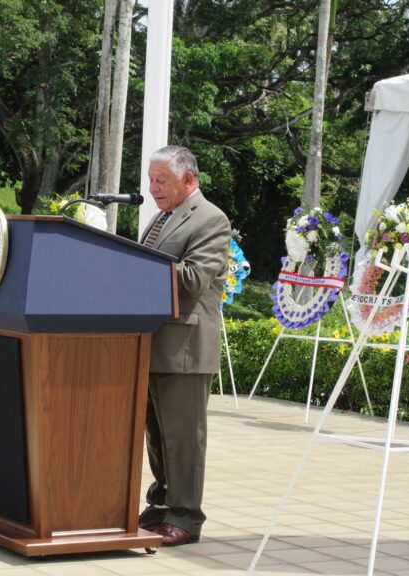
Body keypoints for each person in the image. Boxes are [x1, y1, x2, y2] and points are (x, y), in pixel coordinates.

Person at [138, 145, 231, 546]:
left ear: (189, 180)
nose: (154, 188)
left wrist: (133, 265)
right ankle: (161, 504)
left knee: (183, 439)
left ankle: (187, 518)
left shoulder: (211, 219)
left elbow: (193, 278)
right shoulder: (160, 218)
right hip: (151, 344)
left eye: (162, 180)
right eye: (151, 180)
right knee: (157, 438)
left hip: (186, 348)